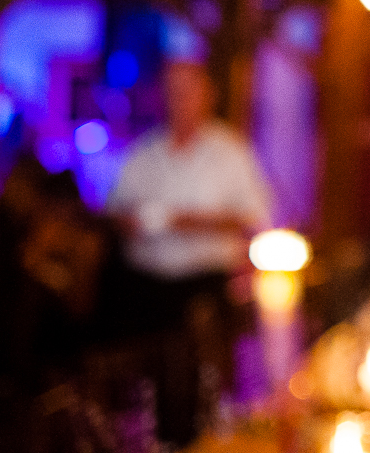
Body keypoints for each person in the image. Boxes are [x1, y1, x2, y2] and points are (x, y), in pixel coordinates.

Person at [108, 59, 273, 445]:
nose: (177, 98)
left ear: (207, 95)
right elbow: (114, 210)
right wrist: (129, 222)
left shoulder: (230, 153)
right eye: (170, 90)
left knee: (198, 387)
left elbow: (254, 217)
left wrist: (189, 222)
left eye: (186, 89)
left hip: (204, 286)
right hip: (146, 288)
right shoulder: (145, 153)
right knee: (147, 389)